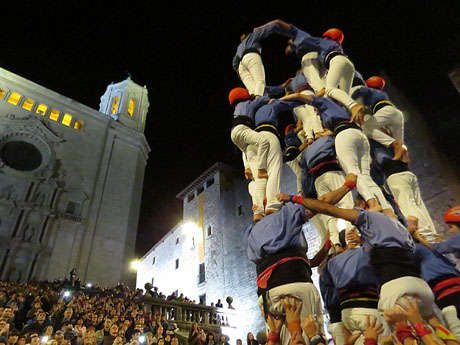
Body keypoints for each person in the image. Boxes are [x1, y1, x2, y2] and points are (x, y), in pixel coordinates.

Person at [280, 193, 435, 318]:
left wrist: (295, 198)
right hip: (422, 287)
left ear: (362, 205)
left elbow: (326, 208)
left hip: (395, 287)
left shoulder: (369, 218)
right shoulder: (401, 230)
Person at [278, 92, 393, 215]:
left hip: (344, 135)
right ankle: (387, 208)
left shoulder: (324, 103)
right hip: (358, 134)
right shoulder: (339, 112)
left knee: (353, 174)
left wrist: (280, 101)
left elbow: (300, 96)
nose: (316, 112)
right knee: (365, 175)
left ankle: (373, 204)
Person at [254, 19, 365, 122]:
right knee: (341, 97)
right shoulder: (336, 45)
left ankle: (352, 106)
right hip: (348, 64)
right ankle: (351, 115)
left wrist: (261, 28)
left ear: (326, 36)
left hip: (335, 61)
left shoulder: (318, 42)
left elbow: (278, 22)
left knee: (330, 90)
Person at [369, 139, 437, 241]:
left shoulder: (372, 143)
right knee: (418, 204)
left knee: (408, 205)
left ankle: (426, 235)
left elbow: (374, 169)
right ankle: (433, 233)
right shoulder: (389, 138)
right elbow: (405, 153)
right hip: (407, 173)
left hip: (396, 176)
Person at [352, 76, 406, 160]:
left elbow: (360, 90)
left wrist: (351, 99)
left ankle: (392, 143)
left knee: (366, 128)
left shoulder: (370, 91)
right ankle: (404, 154)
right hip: (397, 113)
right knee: (399, 141)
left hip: (386, 111)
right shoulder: (381, 94)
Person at [232, 23, 287, 97]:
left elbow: (235, 63)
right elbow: (266, 30)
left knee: (252, 88)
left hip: (241, 65)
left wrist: (241, 74)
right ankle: (258, 98)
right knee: (260, 81)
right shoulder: (251, 37)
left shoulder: (240, 46)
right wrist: (272, 26)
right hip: (251, 56)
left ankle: (254, 100)